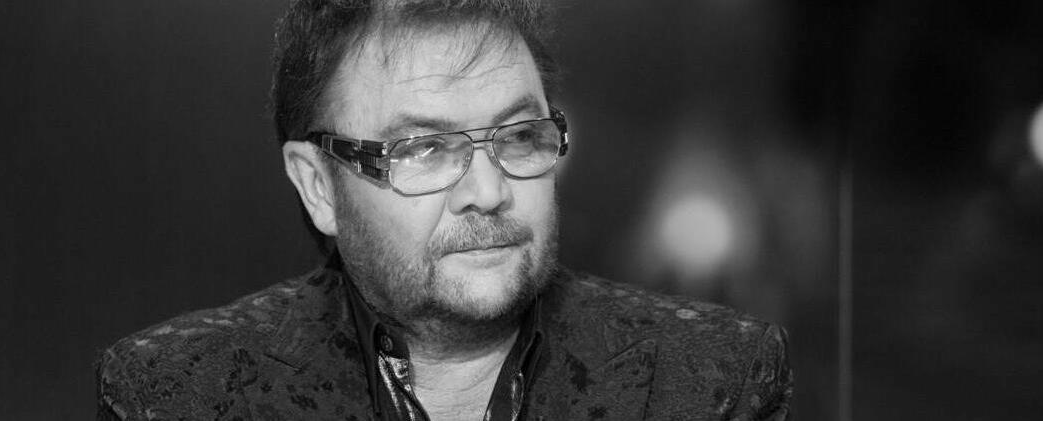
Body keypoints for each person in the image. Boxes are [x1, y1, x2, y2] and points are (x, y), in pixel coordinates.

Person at [96, 0, 792, 419]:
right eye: (424, 149)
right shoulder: (177, 393)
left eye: (518, 136)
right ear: (317, 186)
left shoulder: (717, 379)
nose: (487, 191)